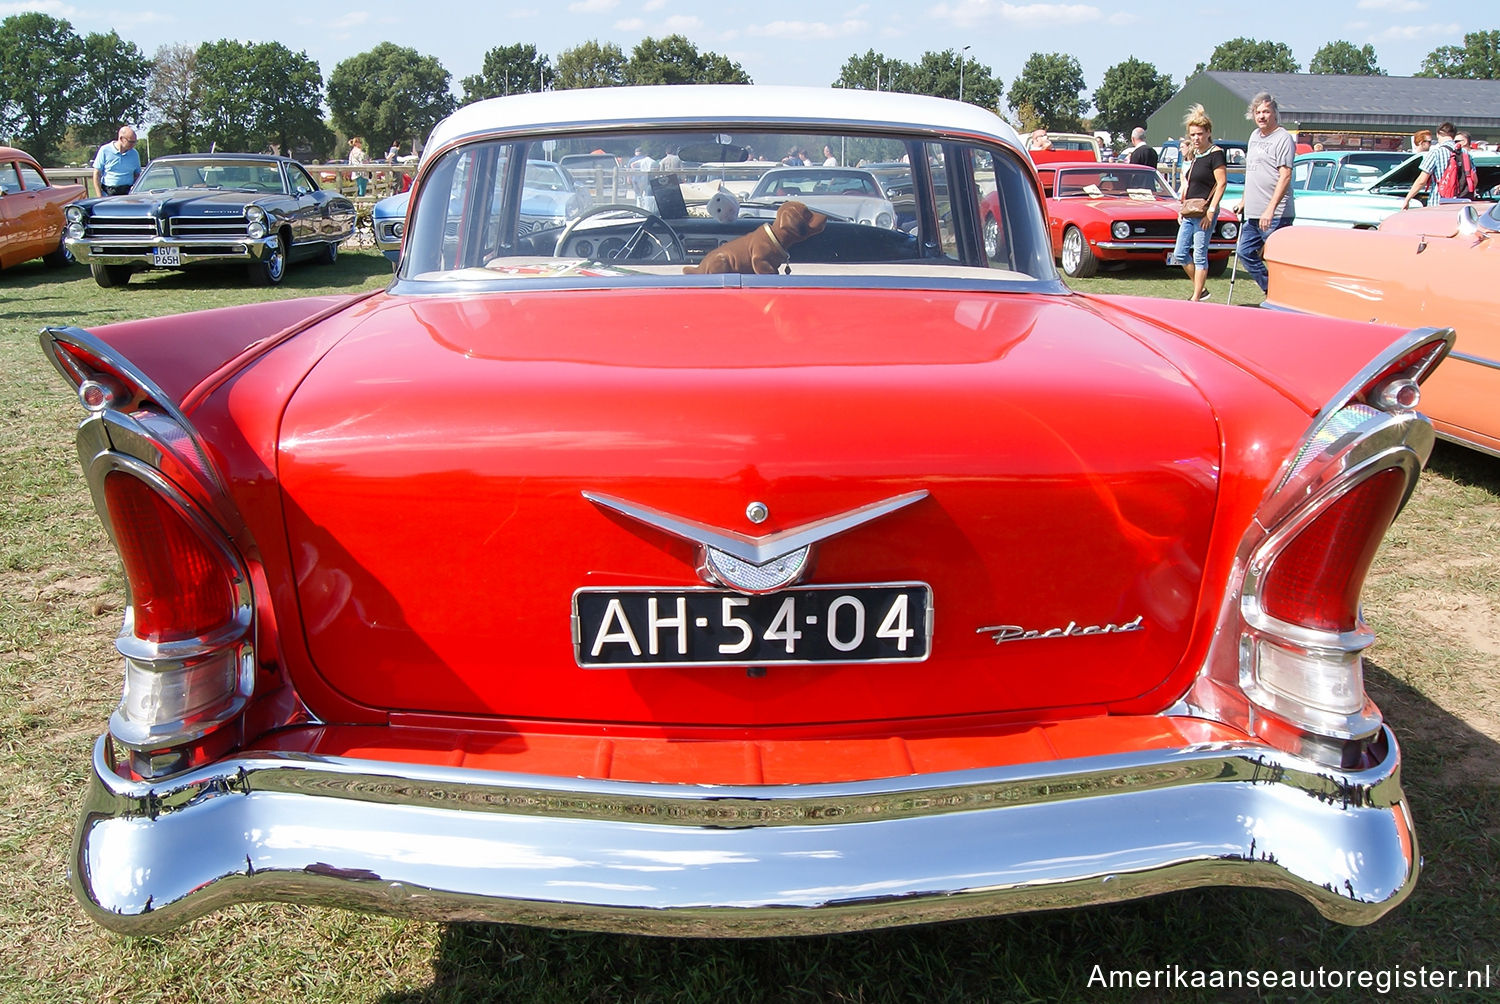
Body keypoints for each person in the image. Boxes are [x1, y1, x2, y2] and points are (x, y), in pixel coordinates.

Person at [1230, 91, 1295, 295]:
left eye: (1266, 111)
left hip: (1275, 215)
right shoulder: (1254, 136)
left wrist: (1270, 210)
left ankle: (1285, 296)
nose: (1261, 116)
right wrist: (1243, 200)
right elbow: (1252, 172)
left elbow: (1285, 176)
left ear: (1274, 113)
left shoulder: (1283, 138)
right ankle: (1272, 290)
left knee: (1277, 259)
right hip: (1253, 212)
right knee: (1244, 252)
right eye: (1258, 112)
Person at [1166, 105, 1227, 303]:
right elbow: (1189, 184)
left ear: (1208, 132)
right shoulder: (1194, 155)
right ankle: (1200, 289)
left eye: (1200, 134)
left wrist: (1211, 211)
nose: (1196, 138)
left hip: (1204, 211)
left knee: (1200, 253)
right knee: (1180, 253)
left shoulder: (1215, 154)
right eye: (1192, 134)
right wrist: (1182, 208)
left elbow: (1221, 182)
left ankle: (1196, 297)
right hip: (1189, 210)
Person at [1400, 122, 1458, 209]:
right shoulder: (1465, 153)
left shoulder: (1436, 153)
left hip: (1439, 202)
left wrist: (1407, 199)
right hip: (1460, 203)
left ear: (1438, 134)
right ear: (1454, 135)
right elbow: (1474, 180)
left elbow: (1421, 181)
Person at [93, 127, 142, 196]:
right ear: (121, 139)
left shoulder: (134, 153)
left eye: (135, 142)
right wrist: (99, 196)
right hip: (108, 193)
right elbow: (96, 174)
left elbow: (137, 175)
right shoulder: (104, 150)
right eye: (131, 142)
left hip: (128, 193)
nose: (133, 144)